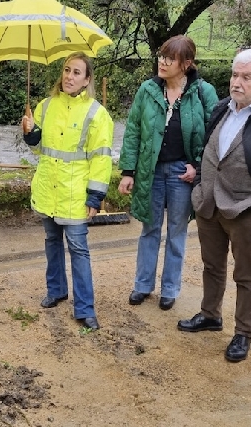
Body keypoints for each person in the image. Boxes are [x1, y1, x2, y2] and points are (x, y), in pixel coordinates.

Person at [118, 35, 218, 310]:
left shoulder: (202, 92)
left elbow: (214, 133)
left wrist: (197, 166)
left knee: (176, 232)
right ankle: (142, 285)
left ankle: (170, 289)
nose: (162, 62)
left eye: (169, 58)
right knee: (149, 229)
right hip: (150, 170)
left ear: (186, 64)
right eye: (161, 56)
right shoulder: (148, 90)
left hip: (181, 175)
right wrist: (128, 171)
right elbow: (134, 131)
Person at [21, 52, 114, 331]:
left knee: (78, 249)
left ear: (87, 80)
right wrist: (30, 135)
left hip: (75, 194)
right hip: (48, 188)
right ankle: (56, 290)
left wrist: (95, 196)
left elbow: (101, 159)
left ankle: (85, 308)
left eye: (76, 72)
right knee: (51, 241)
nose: (69, 76)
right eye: (66, 70)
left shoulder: (97, 114)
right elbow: (39, 149)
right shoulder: (45, 106)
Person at [177, 49, 251, 363]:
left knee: (246, 276)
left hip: (244, 209)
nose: (237, 82)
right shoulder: (222, 108)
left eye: (246, 78)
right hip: (209, 202)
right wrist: (198, 178)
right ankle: (210, 314)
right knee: (212, 265)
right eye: (235, 75)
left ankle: (244, 332)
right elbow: (209, 148)